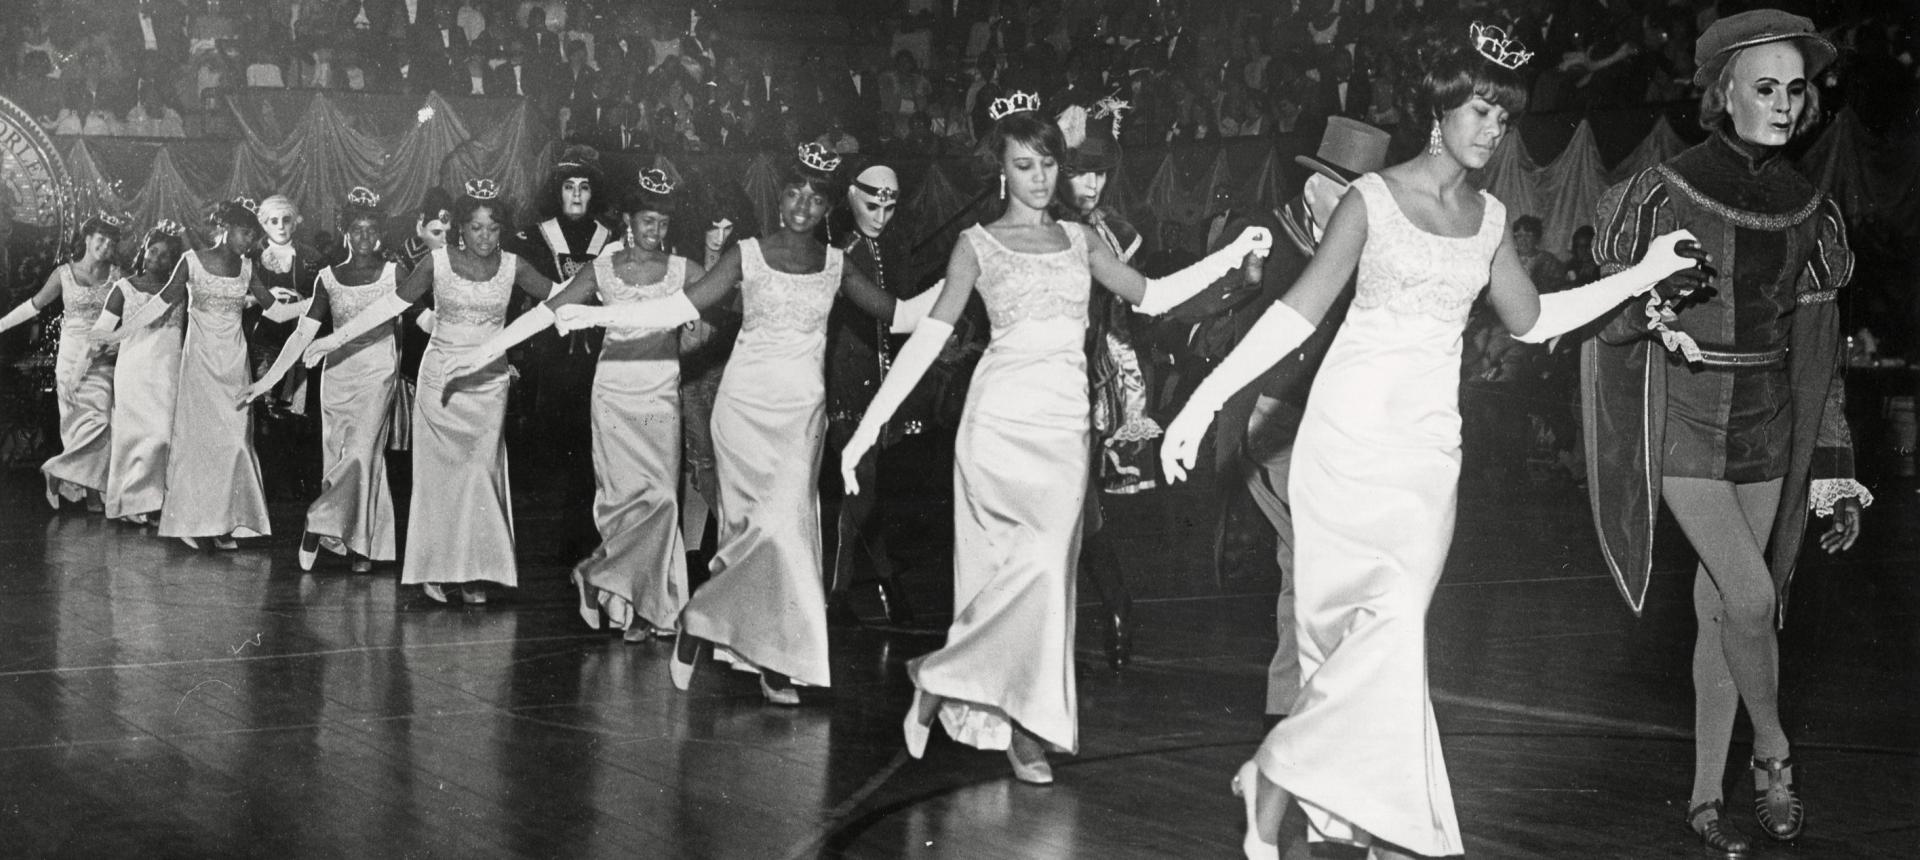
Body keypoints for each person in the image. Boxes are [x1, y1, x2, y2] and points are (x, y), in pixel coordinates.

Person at [1156, 27, 1698, 858]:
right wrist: (1201, 400)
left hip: (1426, 454)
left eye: (1504, 117)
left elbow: (1535, 320)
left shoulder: (1490, 220)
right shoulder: (1370, 200)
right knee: (1350, 639)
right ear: (1439, 111)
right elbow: (1296, 310)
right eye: (1481, 110)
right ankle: (1365, 816)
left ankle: (1284, 773)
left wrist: (1646, 270)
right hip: (1344, 441)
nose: (1493, 130)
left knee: (1396, 625)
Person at [840, 91, 1275, 784]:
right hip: (996, 428)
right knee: (1007, 578)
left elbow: (1153, 297)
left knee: (1046, 574)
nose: (1040, 177)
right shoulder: (975, 245)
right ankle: (1021, 732)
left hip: (1064, 429)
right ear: (1001, 172)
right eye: (1024, 164)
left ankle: (946, 677)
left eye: (1048, 163)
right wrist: (867, 429)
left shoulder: (1082, 241)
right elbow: (929, 339)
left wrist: (1230, 259)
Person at [1582, 11, 1868, 856]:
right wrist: (1645, 310)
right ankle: (1774, 754)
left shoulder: (1810, 205)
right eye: (1765, 87)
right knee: (1752, 599)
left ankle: (1706, 796)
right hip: (1683, 417)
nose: (1785, 104)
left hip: (1768, 425)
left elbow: (1820, 348)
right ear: (1723, 94)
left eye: (1797, 88)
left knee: (1722, 613)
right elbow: (1608, 321)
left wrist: (1832, 465)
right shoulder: (1662, 191)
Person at [556, 143, 934, 706]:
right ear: (779, 195)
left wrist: (971, 273)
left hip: (800, 416)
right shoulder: (747, 254)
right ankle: (754, 651)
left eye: (816, 194)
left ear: (828, 205)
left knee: (789, 537)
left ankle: (736, 638)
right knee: (760, 534)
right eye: (794, 190)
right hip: (743, 412)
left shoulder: (836, 264)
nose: (803, 202)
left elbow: (902, 316)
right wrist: (595, 312)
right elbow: (673, 310)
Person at [1181, 115, 1391, 724]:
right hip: (1266, 418)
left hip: (1327, 422)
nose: (1359, 209)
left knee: (1306, 558)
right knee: (1317, 552)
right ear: (1317, 186)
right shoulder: (1263, 231)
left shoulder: (1355, 249)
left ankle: (1292, 706)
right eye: (1350, 194)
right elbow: (1194, 321)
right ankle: (1306, 705)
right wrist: (1236, 285)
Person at [302, 179, 566, 604]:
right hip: (439, 383)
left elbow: (564, 297)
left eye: (493, 228)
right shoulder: (436, 262)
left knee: (480, 474)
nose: (484, 237)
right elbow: (390, 307)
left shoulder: (516, 266)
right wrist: (333, 340)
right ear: (459, 227)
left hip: (487, 384)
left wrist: (621, 304)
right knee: (439, 481)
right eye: (476, 227)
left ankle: (476, 569)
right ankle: (437, 569)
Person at [559, 169, 705, 642]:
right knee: (623, 504)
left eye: (663, 223)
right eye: (647, 221)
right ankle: (640, 610)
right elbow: (557, 306)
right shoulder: (602, 268)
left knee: (662, 500)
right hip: (614, 394)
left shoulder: (684, 269)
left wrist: (694, 341)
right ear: (628, 219)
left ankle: (604, 580)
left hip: (661, 391)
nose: (656, 232)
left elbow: (726, 308)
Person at [115, 199, 302, 550]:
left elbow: (275, 313)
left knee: (234, 443)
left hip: (234, 364)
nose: (250, 240)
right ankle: (190, 520)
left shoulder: (247, 268)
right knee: (198, 444)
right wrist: (120, 332)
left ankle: (224, 520)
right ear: (226, 229)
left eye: (254, 235)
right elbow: (164, 300)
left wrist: (313, 303)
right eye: (245, 232)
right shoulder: (191, 261)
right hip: (200, 364)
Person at [244, 187, 400, 574]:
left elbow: (424, 315)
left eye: (371, 230)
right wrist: (268, 382)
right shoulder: (328, 278)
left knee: (364, 454)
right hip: (339, 375)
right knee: (344, 457)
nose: (364, 238)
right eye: (357, 230)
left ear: (379, 234)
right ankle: (356, 544)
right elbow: (302, 333)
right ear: (345, 233)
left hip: (379, 372)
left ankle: (321, 522)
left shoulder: (396, 273)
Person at [1056, 103, 1154, 670]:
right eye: (1079, 170)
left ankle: (1115, 606)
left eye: (1099, 172)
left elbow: (1139, 306)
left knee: (1077, 501)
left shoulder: (1109, 235)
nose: (1091, 183)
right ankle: (1113, 606)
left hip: (1083, 385)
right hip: (1026, 380)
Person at [822, 158, 916, 628]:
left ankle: (879, 585)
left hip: (883, 383)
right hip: (845, 384)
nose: (881, 217)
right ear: (852, 198)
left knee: (868, 487)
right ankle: (847, 593)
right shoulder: (840, 252)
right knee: (861, 486)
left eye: (890, 208)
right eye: (873, 205)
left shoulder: (890, 249)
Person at [0, 214, 126, 512]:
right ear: (87, 238)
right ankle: (92, 496)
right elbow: (34, 305)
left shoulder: (117, 275)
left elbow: (128, 317)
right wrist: (0, 325)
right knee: (77, 428)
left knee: (102, 424)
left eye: (111, 242)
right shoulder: (64, 274)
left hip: (103, 358)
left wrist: (117, 343)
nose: (105, 246)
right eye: (100, 238)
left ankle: (57, 470)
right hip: (71, 358)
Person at [90, 223, 187, 524]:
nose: (157, 259)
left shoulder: (181, 291)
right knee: (133, 435)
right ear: (144, 252)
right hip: (134, 370)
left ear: (174, 262)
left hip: (168, 371)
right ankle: (130, 503)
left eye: (166, 256)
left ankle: (156, 500)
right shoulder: (124, 288)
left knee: (162, 434)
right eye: (153, 251)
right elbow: (102, 332)